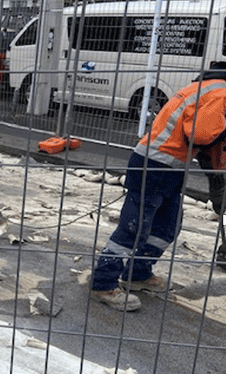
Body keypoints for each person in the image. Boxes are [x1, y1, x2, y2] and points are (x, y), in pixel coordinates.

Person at [90, 62, 226, 311]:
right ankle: (103, 284)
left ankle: (138, 274)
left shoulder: (207, 87)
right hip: (154, 164)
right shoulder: (221, 92)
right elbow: (203, 134)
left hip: (168, 165)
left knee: (167, 225)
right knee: (135, 227)